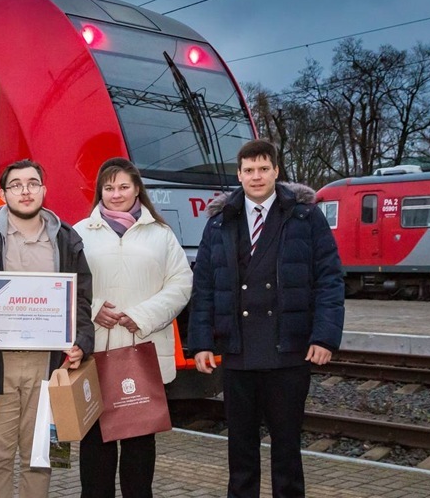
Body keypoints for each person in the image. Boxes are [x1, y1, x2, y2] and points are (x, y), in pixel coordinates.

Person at [187, 139, 345, 498]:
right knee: (240, 452)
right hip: (239, 352)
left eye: (263, 169)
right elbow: (205, 287)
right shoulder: (220, 222)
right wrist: (201, 342)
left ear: (276, 171)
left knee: (287, 450)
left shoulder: (307, 218)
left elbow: (330, 280)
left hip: (289, 351)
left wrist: (324, 337)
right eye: (248, 170)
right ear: (239, 175)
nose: (256, 177)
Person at [0, 159, 94, 498]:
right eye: (16, 185)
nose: (25, 190)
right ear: (3, 194)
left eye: (33, 183)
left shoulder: (66, 239)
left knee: (41, 456)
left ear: (44, 190)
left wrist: (82, 342)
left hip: (48, 366)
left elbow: (82, 298)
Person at [74, 157, 193, 498]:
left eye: (124, 186)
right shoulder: (80, 231)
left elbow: (181, 284)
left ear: (137, 188)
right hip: (95, 351)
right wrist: (95, 309)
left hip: (143, 351)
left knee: (140, 443)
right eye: (109, 188)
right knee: (95, 443)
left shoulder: (162, 234)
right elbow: (68, 284)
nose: (116, 194)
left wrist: (141, 315)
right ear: (100, 191)